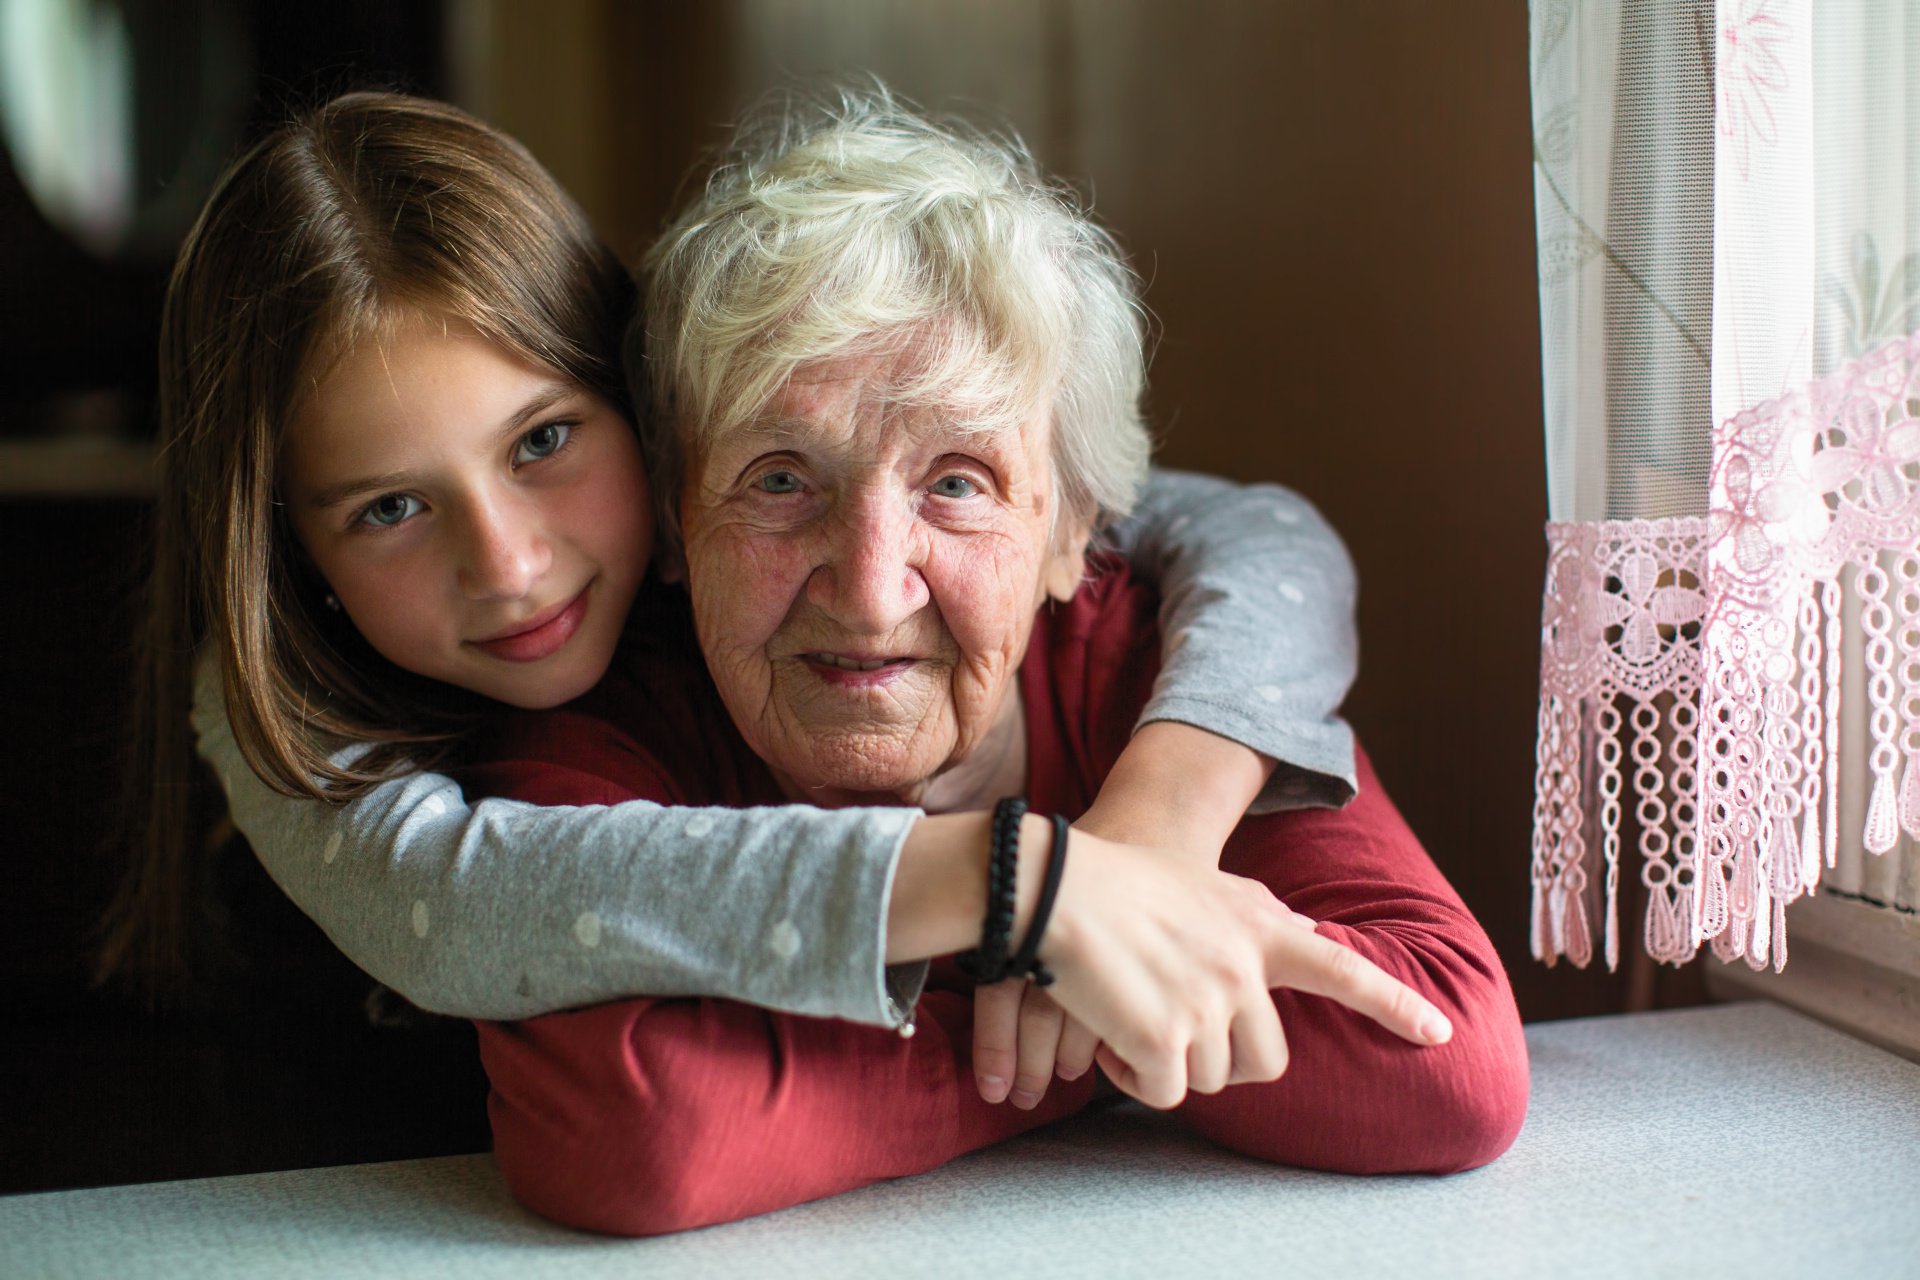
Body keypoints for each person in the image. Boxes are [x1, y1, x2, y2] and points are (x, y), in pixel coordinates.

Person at [102, 93, 1381, 1103]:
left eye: (544, 441)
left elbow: (1256, 533)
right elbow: (454, 908)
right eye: (389, 507)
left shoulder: (736, 535)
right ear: (285, 552)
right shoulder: (280, 712)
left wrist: (1159, 819)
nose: (509, 564)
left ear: (646, 421)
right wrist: (1018, 884)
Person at [451, 87, 1530, 1235]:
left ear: (1074, 534)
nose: (870, 588)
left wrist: (1075, 961)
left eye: (956, 483)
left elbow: (1447, 1059)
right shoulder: (604, 723)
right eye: (779, 478)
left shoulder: (1157, 672)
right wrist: (1090, 961)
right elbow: (646, 1134)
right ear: (672, 523)